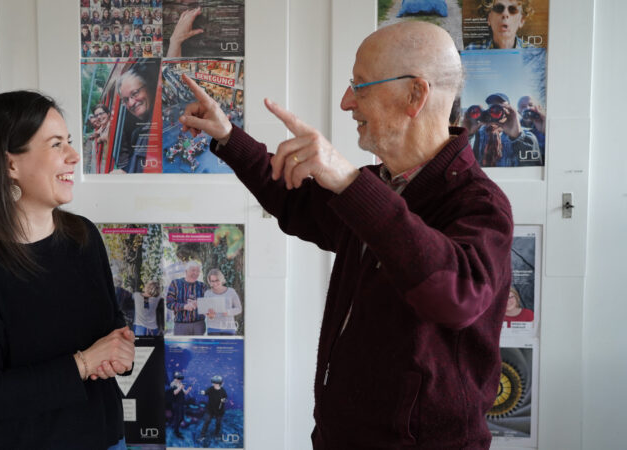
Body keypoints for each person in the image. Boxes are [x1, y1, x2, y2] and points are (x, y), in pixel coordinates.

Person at [178, 21, 513, 448]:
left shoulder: (480, 203)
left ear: (416, 95)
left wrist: (352, 184)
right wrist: (227, 137)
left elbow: (455, 295)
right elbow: (295, 201)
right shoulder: (381, 185)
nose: (346, 102)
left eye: (360, 86)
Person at [0, 90, 135, 449]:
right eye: (57, 144)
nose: (74, 155)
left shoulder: (83, 235)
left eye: (68, 141)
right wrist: (83, 364)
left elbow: (111, 327)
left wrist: (119, 350)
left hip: (106, 441)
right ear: (9, 165)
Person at [465, 92, 541, 167]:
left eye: (498, 108)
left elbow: (532, 168)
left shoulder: (526, 135)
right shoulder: (479, 133)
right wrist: (467, 136)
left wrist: (518, 137)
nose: (495, 112)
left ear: (509, 110)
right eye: (492, 108)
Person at [114, 64, 158, 172]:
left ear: (148, 87)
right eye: (126, 100)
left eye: (135, 93)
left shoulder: (155, 128)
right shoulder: (137, 133)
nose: (131, 103)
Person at [465, 0, 535, 50]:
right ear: (488, 18)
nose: (505, 14)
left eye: (513, 9)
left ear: (521, 20)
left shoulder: (534, 54)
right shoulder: (471, 51)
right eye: (498, 8)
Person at [166, 260, 206, 335]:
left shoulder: (202, 286)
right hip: (181, 325)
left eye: (198, 271)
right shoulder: (175, 284)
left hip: (199, 325)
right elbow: (169, 304)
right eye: (193, 270)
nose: (196, 273)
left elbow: (207, 304)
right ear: (186, 271)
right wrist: (184, 306)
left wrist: (199, 303)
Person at [203, 268, 242, 335]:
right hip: (213, 328)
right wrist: (210, 315)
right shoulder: (207, 293)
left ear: (221, 279)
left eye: (217, 280)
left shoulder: (231, 291)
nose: (215, 283)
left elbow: (239, 309)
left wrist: (228, 312)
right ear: (209, 282)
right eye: (212, 281)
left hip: (229, 328)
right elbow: (205, 311)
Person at [198, 375, 228, 442]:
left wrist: (224, 400)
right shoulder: (210, 389)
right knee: (207, 421)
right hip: (210, 409)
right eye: (213, 382)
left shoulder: (223, 391)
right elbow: (205, 392)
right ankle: (202, 435)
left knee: (218, 423)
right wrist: (202, 392)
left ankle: (216, 435)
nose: (213, 384)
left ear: (219, 383)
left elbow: (226, 399)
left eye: (214, 383)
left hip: (219, 410)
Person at [168, 371, 191, 439]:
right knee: (178, 418)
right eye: (179, 378)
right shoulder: (173, 384)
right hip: (176, 403)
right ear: (176, 378)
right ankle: (176, 432)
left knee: (181, 418)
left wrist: (188, 389)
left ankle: (176, 429)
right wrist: (180, 387)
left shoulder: (180, 383)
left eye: (180, 379)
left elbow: (185, 393)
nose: (180, 380)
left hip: (181, 403)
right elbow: (174, 393)